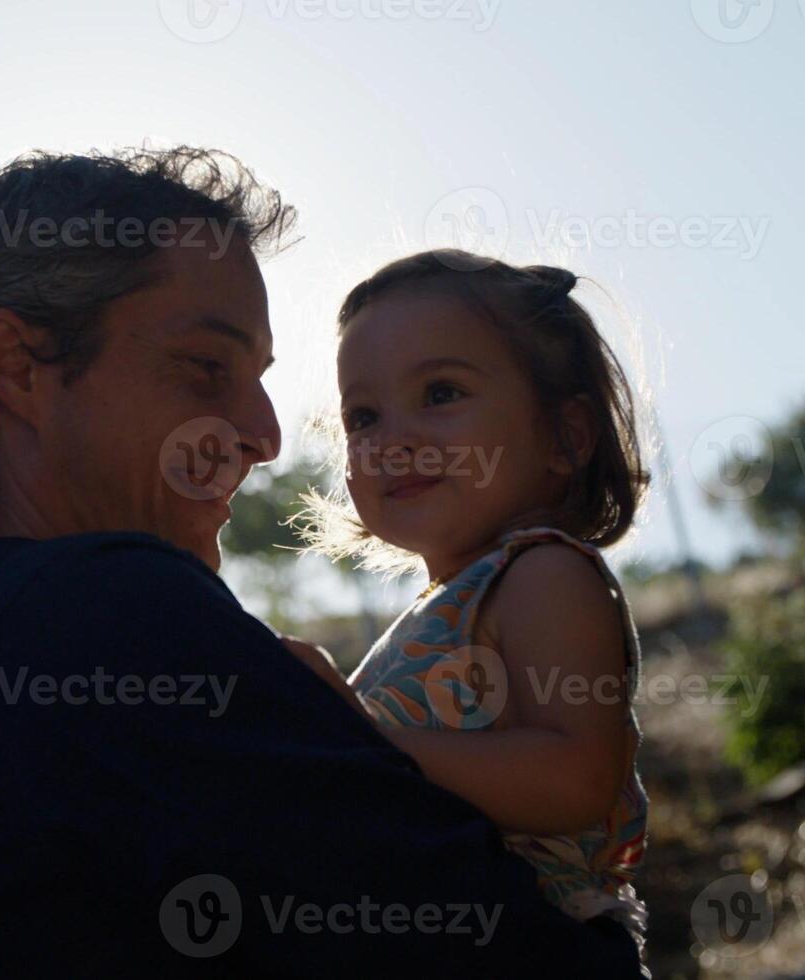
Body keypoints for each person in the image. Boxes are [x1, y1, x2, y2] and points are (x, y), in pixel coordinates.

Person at [0, 146, 642, 977]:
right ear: (21, 366)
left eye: (444, 394)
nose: (267, 437)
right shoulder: (104, 610)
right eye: (207, 367)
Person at [297, 249, 653, 970]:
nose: (392, 438)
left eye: (440, 393)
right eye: (363, 415)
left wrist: (357, 737)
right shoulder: (441, 611)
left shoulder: (543, 574)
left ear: (565, 437)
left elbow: (579, 777)